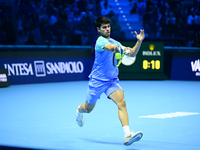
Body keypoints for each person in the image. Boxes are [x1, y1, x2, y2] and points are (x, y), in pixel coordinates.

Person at [76, 16, 145, 146]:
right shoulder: (100, 41)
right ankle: (79, 110)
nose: (107, 29)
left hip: (111, 81)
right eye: (104, 27)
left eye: (108, 26)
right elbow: (111, 48)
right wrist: (118, 49)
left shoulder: (116, 42)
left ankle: (127, 135)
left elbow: (132, 54)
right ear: (99, 29)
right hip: (97, 81)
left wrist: (139, 42)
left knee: (122, 103)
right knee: (88, 108)